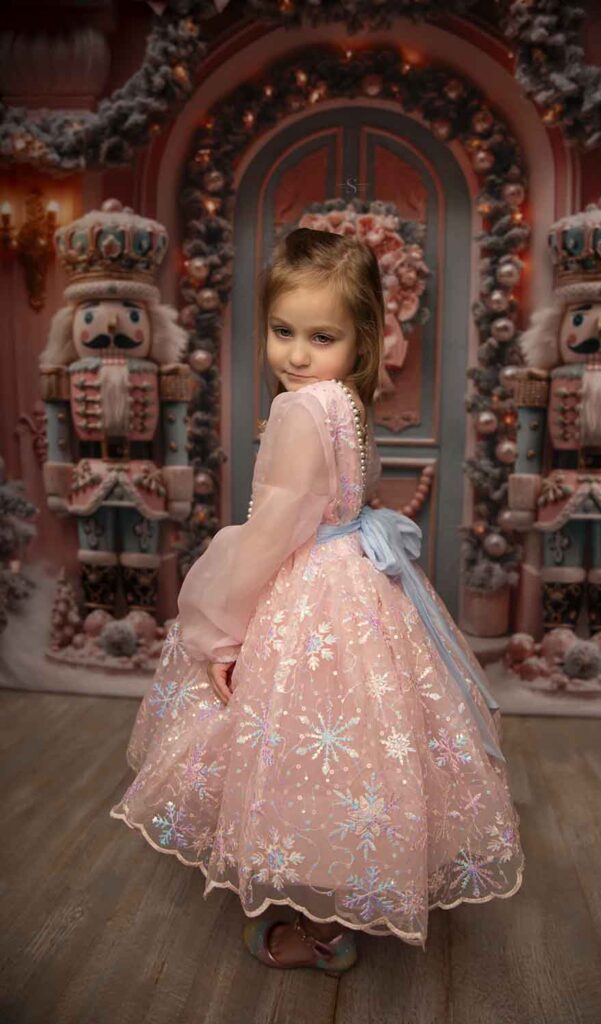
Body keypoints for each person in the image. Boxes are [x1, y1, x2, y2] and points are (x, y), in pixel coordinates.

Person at [110, 227, 524, 975]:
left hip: (314, 587)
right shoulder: (346, 401)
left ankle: (321, 932)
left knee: (299, 744)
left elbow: (273, 531)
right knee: (355, 747)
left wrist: (220, 631)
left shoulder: (303, 409)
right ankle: (347, 892)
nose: (296, 354)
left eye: (321, 336)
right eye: (282, 331)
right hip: (359, 585)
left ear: (362, 338)